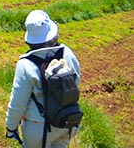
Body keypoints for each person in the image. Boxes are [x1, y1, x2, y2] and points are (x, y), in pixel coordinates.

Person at [6, 10, 81, 148]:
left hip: (39, 127)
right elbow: (76, 82)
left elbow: (18, 102)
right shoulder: (67, 53)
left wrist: (11, 127)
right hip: (68, 120)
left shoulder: (26, 64)